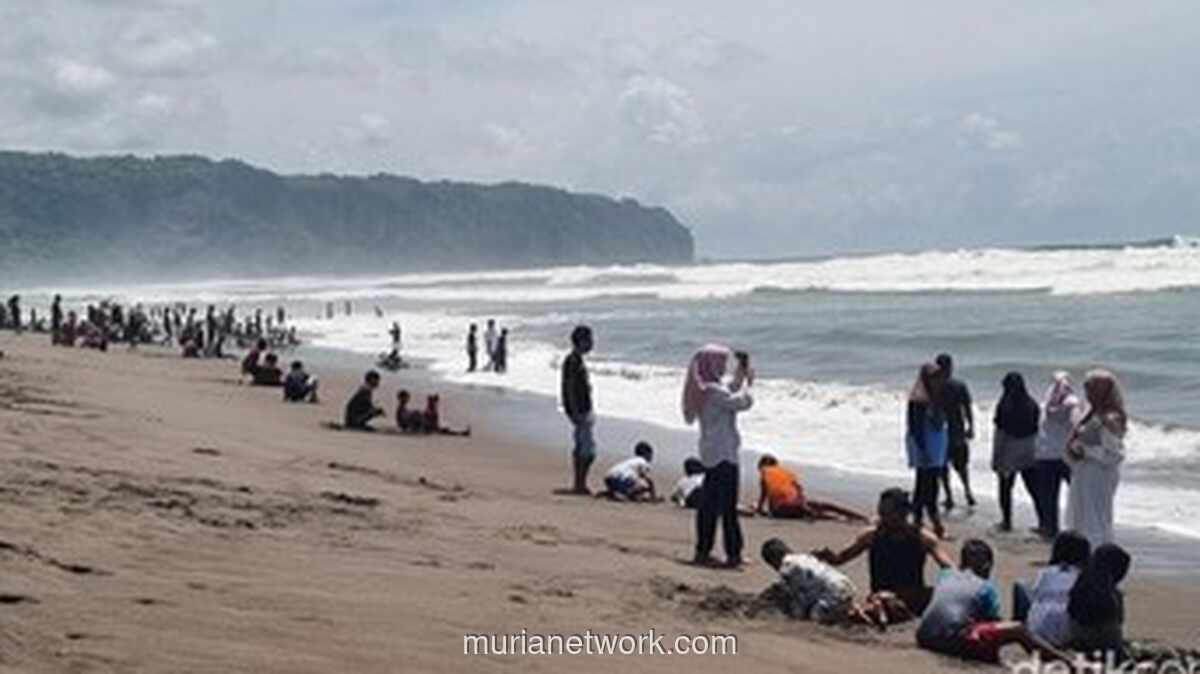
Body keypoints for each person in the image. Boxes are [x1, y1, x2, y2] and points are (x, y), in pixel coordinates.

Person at [916, 539, 1066, 664]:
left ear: (961, 564)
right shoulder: (985, 587)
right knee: (1018, 629)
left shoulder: (947, 575)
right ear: (987, 566)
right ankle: (1066, 663)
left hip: (923, 636)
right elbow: (991, 619)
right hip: (951, 640)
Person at [814, 488, 952, 616]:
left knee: (936, 594)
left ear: (903, 513)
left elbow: (949, 568)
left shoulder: (923, 537)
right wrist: (827, 556)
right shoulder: (871, 536)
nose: (882, 517)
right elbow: (840, 559)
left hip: (912, 597)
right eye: (881, 512)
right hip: (880, 599)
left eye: (887, 513)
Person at [684, 345, 752, 568]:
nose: (724, 366)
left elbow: (730, 389)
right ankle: (733, 554)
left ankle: (703, 550)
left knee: (710, 505)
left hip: (711, 453)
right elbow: (741, 402)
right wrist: (750, 385)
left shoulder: (705, 389)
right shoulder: (713, 391)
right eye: (721, 362)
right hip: (724, 455)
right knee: (728, 507)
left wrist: (741, 371)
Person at [1066, 370, 1126, 548]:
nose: (1088, 393)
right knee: (1079, 515)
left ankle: (1097, 553)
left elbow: (1115, 455)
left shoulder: (1110, 418)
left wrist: (1086, 451)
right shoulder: (1091, 412)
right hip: (1084, 471)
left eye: (1092, 389)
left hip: (1099, 474)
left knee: (1095, 517)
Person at [1013, 531, 1091, 648]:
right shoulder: (1084, 576)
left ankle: (1018, 623)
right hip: (1067, 631)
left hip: (1036, 630)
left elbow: (1036, 593)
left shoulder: (1046, 572)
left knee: (1020, 586)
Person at [761, 538, 859, 624]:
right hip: (845, 585)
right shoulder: (805, 558)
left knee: (812, 616)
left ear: (774, 559)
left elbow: (781, 588)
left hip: (833, 593)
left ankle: (849, 617)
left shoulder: (787, 565)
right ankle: (852, 612)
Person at [992, 372, 1040, 532]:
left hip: (1008, 452)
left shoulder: (1005, 406)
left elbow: (1000, 433)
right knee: (1034, 489)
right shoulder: (1032, 404)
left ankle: (1006, 522)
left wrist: (996, 457)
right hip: (1029, 451)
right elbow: (1036, 431)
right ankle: (1043, 521)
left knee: (1005, 488)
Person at [755, 454, 868, 522]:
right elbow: (798, 491)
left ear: (762, 465)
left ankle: (835, 518)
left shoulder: (765, 472)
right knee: (825, 506)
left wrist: (762, 510)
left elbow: (764, 496)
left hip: (782, 508)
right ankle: (859, 517)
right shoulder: (787, 472)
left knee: (811, 513)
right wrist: (803, 504)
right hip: (796, 502)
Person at [1067, 543, 1130, 660]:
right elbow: (1117, 622)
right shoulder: (1112, 594)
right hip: (1107, 646)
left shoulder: (1080, 583)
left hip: (1078, 640)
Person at [1034, 372, 1079, 538]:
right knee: (1075, 495)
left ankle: (1051, 529)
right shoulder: (1072, 403)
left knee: (1049, 496)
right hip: (1066, 456)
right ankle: (1075, 527)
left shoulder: (1048, 402)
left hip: (1046, 455)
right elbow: (1076, 424)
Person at [907, 363, 948, 539]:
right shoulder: (918, 399)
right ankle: (926, 521)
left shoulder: (936, 396)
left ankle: (925, 520)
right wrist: (923, 450)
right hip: (924, 445)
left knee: (931, 482)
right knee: (925, 484)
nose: (937, 380)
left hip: (936, 445)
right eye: (933, 377)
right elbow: (915, 428)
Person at [936, 354, 976, 509]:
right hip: (957, 431)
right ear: (951, 367)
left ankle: (949, 497)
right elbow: (967, 408)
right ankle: (968, 492)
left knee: (943, 466)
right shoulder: (959, 385)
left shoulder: (934, 387)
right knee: (962, 466)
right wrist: (971, 426)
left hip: (939, 432)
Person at [561, 325, 596, 494]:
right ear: (581, 341)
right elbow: (569, 387)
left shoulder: (577, 360)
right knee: (587, 450)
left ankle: (579, 483)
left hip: (583, 409)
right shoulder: (572, 360)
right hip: (580, 410)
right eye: (589, 340)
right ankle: (579, 484)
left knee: (582, 447)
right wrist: (573, 411)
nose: (591, 344)